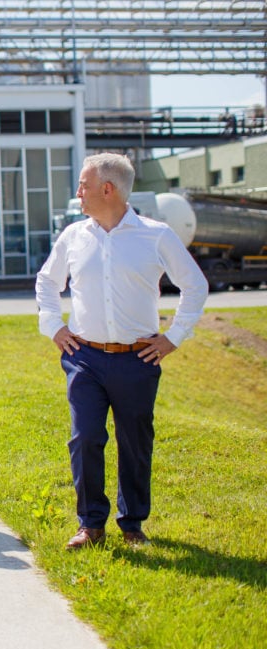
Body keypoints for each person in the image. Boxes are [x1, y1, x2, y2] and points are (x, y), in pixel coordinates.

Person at [35, 153, 208, 550]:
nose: (79, 192)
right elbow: (47, 282)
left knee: (135, 441)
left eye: (83, 185)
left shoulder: (157, 235)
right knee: (85, 438)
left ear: (107, 189)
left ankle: (132, 525)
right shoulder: (73, 237)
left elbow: (195, 285)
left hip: (137, 359)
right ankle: (90, 525)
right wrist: (55, 327)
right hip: (85, 358)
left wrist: (173, 336)